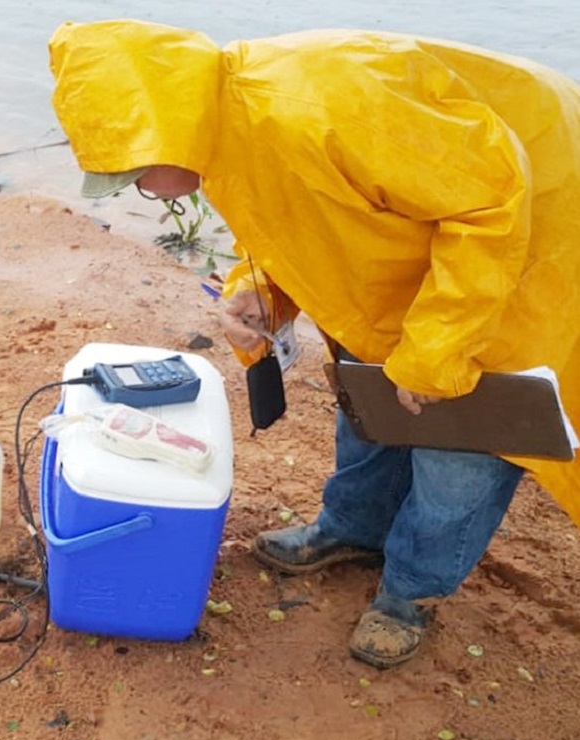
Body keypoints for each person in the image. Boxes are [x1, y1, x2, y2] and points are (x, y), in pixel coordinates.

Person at [48, 20, 580, 668]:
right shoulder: (219, 128)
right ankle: (353, 528)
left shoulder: (318, 106)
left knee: (461, 445)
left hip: (535, 227)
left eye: (134, 175)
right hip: (425, 247)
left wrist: (437, 348)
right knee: (368, 400)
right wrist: (260, 290)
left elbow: (493, 201)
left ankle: (410, 593)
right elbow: (306, 220)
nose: (144, 193)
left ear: (163, 127)